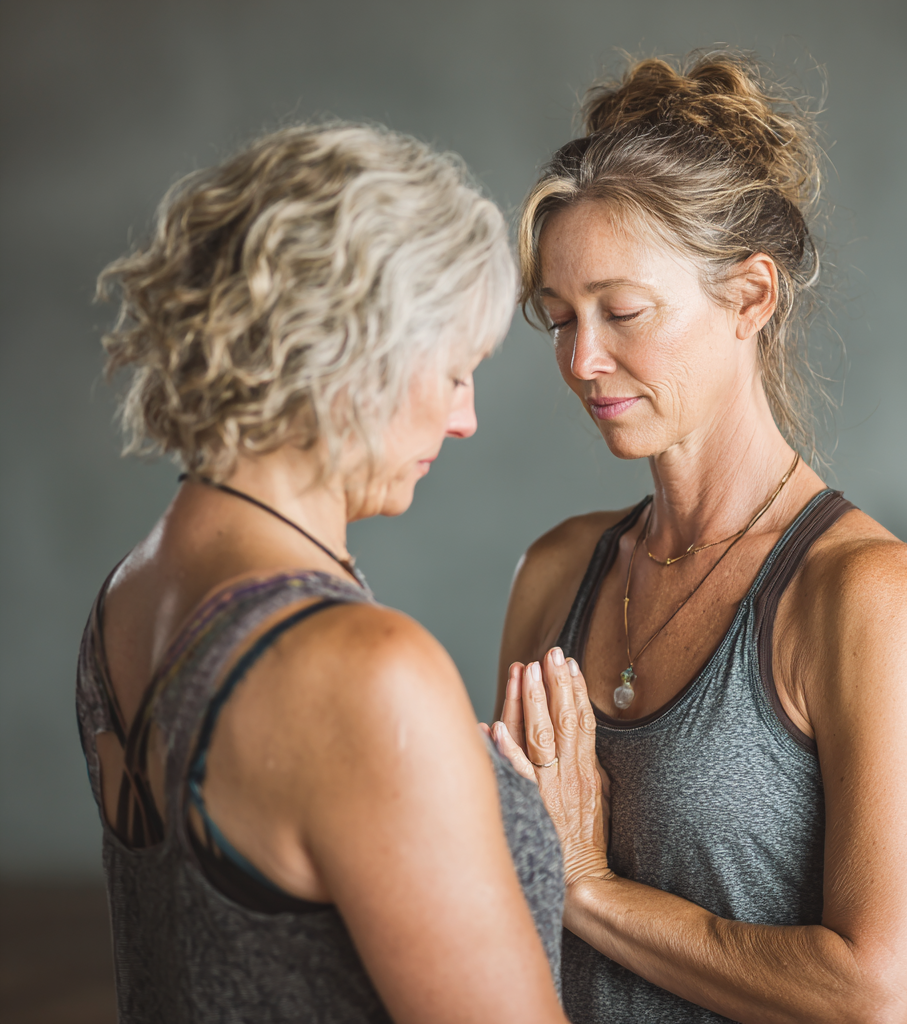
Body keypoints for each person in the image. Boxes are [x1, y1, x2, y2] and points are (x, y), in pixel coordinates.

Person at [491, 55, 907, 1023]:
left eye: (622, 312)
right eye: (559, 318)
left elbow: (878, 998)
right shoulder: (553, 575)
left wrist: (591, 888)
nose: (582, 360)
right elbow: (505, 914)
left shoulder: (865, 593)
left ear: (749, 298)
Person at [77, 123, 569, 1024]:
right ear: (353, 355)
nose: (466, 420)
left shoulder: (131, 594)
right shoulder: (363, 671)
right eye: (456, 372)